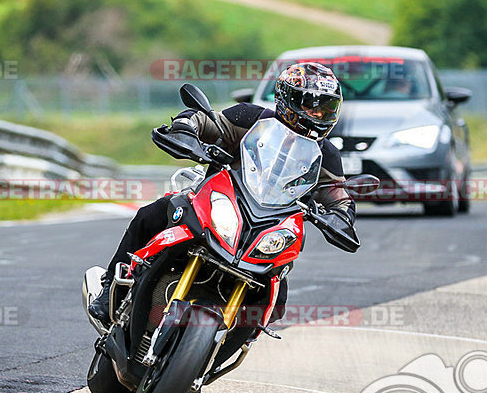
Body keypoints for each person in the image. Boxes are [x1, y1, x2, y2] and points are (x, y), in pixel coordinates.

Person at [88, 62, 356, 326]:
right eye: (310, 104)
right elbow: (207, 121)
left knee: (276, 302)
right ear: (288, 98)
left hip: (268, 230)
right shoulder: (250, 117)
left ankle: (232, 344)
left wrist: (341, 215)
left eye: (326, 107)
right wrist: (186, 127)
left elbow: (337, 194)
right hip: (216, 205)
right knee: (150, 215)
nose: (317, 114)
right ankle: (111, 286)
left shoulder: (327, 155)